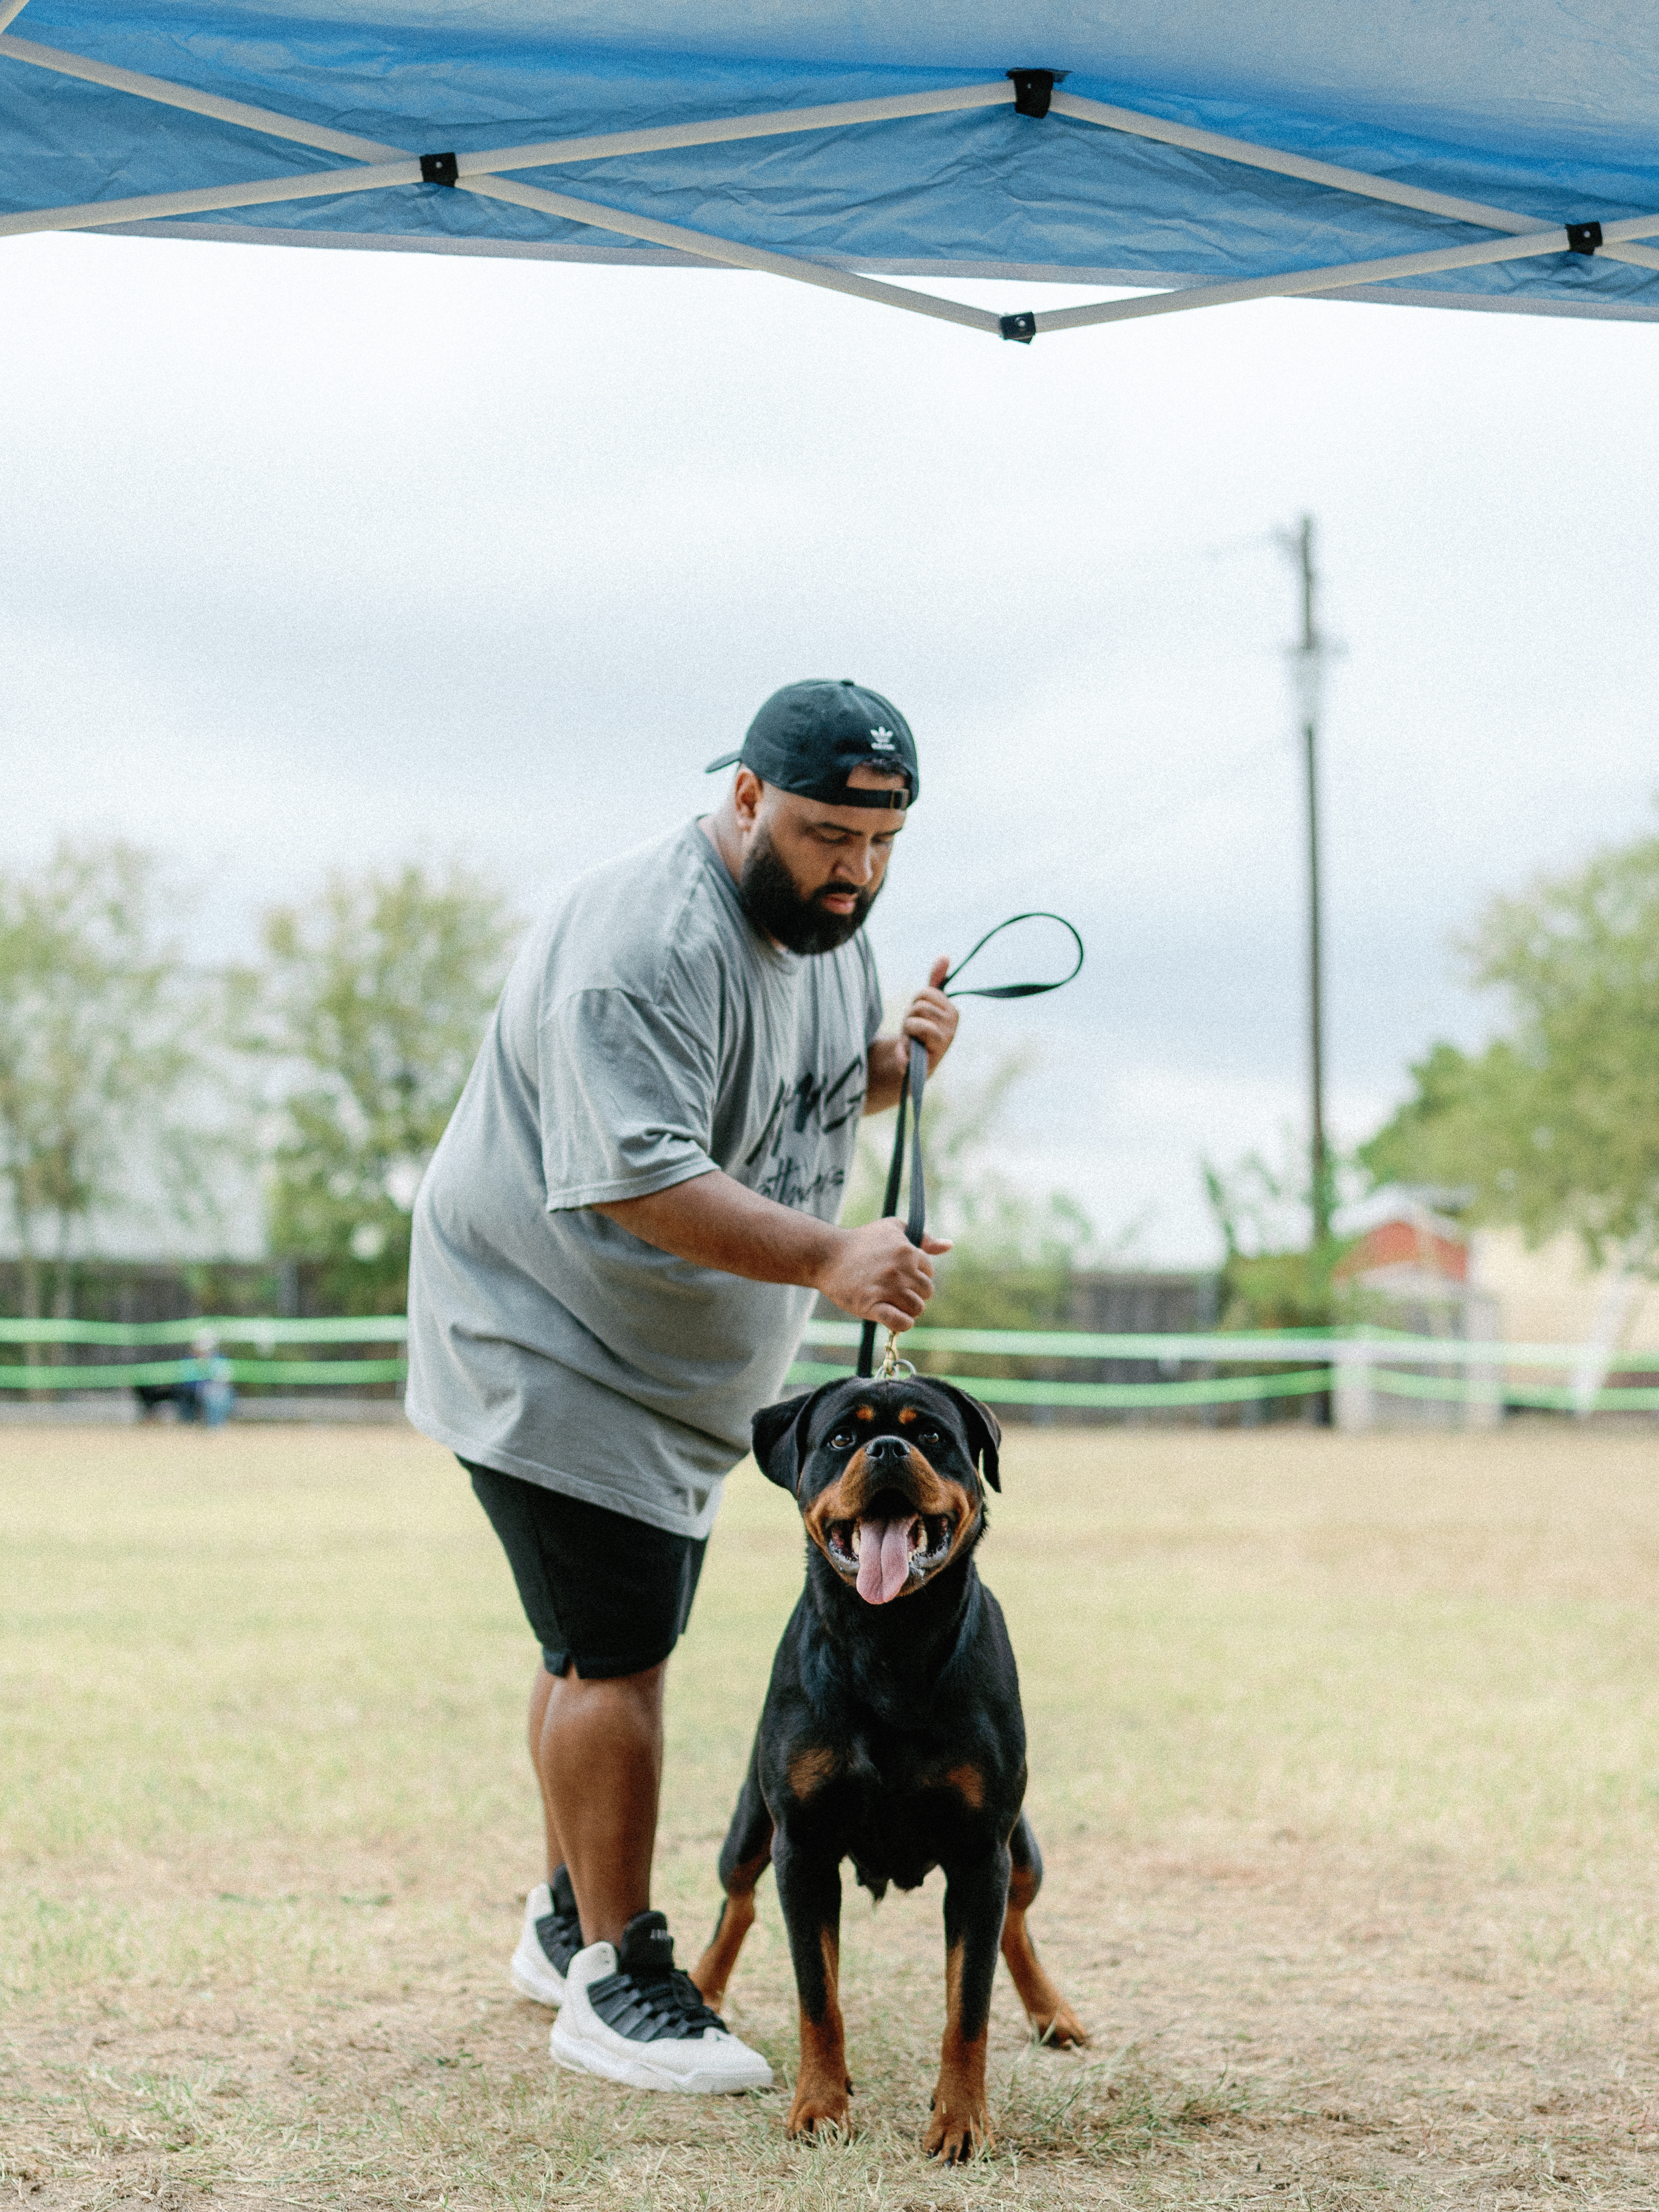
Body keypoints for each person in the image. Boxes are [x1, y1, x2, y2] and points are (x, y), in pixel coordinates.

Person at [406, 678, 958, 2094]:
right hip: (550, 1341)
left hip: (664, 1373)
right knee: (617, 1655)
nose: (859, 872)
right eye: (833, 836)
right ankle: (617, 1974)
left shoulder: (825, 927)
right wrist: (835, 1252)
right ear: (748, 797)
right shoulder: (642, 942)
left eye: (883, 843)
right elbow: (643, 1174)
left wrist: (896, 1065)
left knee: (590, 1640)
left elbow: (783, 1089)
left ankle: (558, 1921)